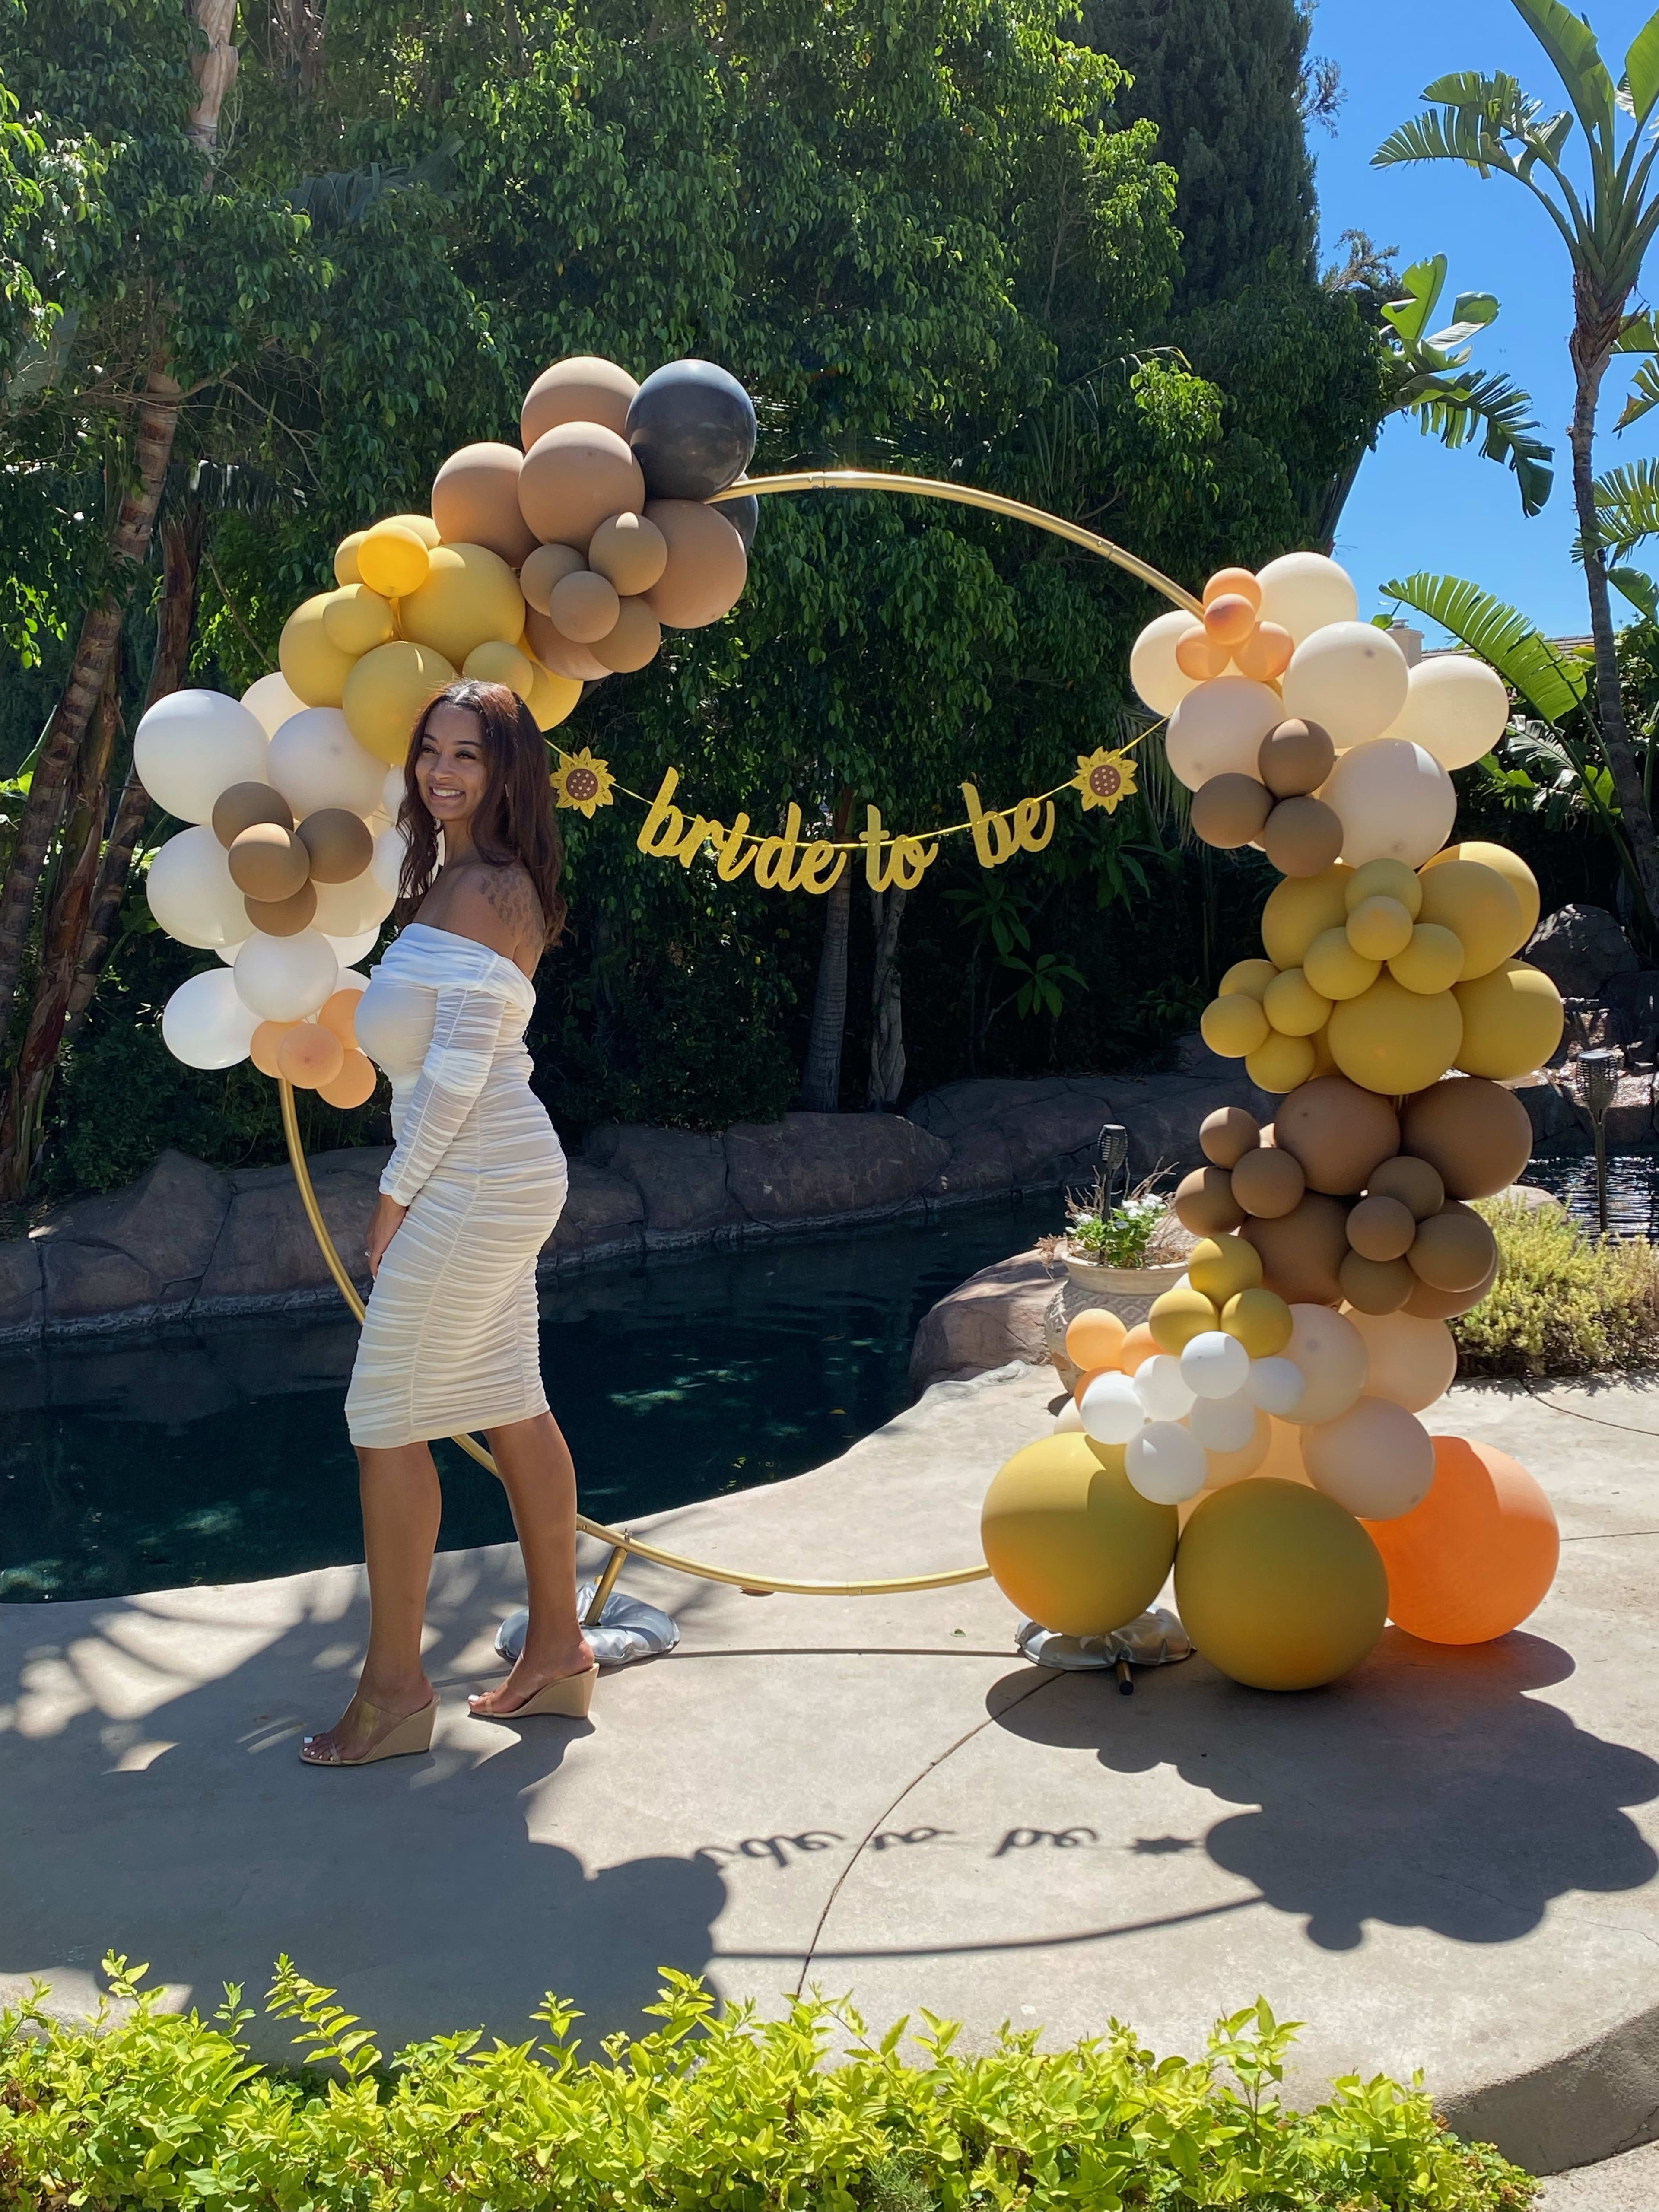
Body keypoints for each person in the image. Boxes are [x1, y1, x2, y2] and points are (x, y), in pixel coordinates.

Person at [300, 679, 595, 1767]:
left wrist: (394, 1196)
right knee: (513, 1401)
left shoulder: (490, 888)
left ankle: (392, 1693)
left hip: (476, 1171)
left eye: (467, 753)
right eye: (431, 750)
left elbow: (463, 1072)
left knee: (383, 1414)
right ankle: (557, 1652)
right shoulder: (450, 877)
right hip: (486, 1168)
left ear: (508, 768)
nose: (442, 770)